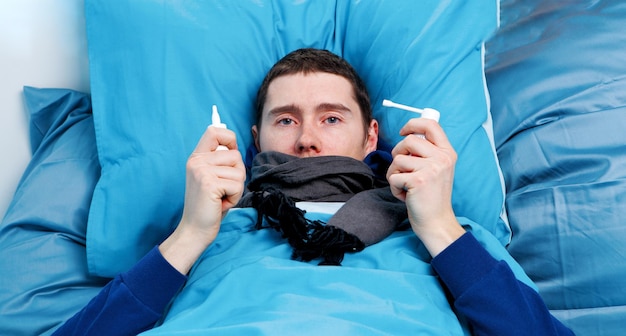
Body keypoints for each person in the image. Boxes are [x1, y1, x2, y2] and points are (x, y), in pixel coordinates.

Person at [53, 48, 573, 335]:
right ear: (256, 142)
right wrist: (190, 233)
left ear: (371, 136)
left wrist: (438, 226)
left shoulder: (447, 234)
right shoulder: (206, 230)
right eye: (285, 119)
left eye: (331, 117)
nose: (306, 138)